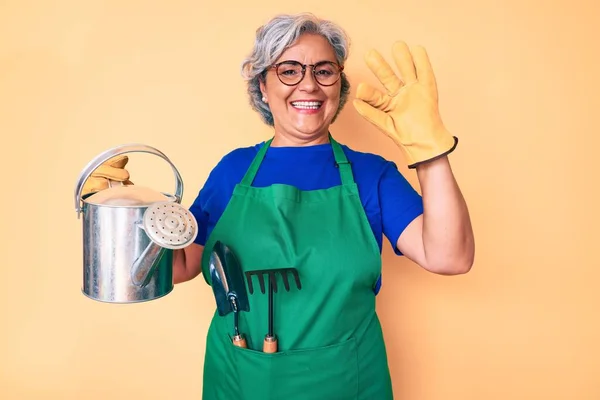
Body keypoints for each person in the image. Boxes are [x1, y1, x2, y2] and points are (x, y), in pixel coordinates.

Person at [82, 12, 474, 400]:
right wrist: (128, 212)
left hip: (346, 384)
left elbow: (450, 257)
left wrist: (431, 151)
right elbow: (182, 264)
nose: (309, 84)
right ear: (263, 87)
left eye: (324, 71)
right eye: (289, 70)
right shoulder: (232, 170)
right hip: (240, 380)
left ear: (339, 85)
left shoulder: (371, 175)